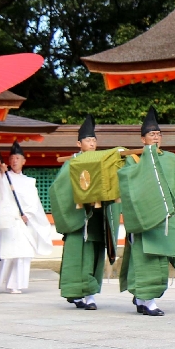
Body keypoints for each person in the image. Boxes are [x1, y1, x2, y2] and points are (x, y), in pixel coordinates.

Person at [118, 106, 175, 316]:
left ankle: (144, 298)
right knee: (144, 258)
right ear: (143, 139)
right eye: (152, 134)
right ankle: (146, 299)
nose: (156, 138)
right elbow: (129, 187)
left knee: (160, 259)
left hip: (166, 218)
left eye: (159, 134)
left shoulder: (169, 159)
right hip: (145, 218)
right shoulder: (133, 160)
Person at [55, 115, 119, 309]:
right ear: (78, 143)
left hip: (97, 218)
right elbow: (59, 189)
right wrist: (80, 199)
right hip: (78, 219)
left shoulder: (101, 162)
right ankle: (74, 292)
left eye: (93, 140)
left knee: (95, 257)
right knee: (77, 257)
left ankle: (90, 295)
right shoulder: (71, 164)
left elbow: (112, 185)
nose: (91, 143)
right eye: (87, 140)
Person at [0, 141, 54, 293]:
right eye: (12, 158)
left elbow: (34, 203)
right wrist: (1, 174)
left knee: (23, 253)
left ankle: (15, 284)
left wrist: (28, 215)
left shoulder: (29, 182)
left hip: (22, 222)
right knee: (5, 252)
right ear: (9, 161)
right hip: (8, 221)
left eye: (18, 158)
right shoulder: (3, 178)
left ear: (24, 161)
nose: (15, 160)